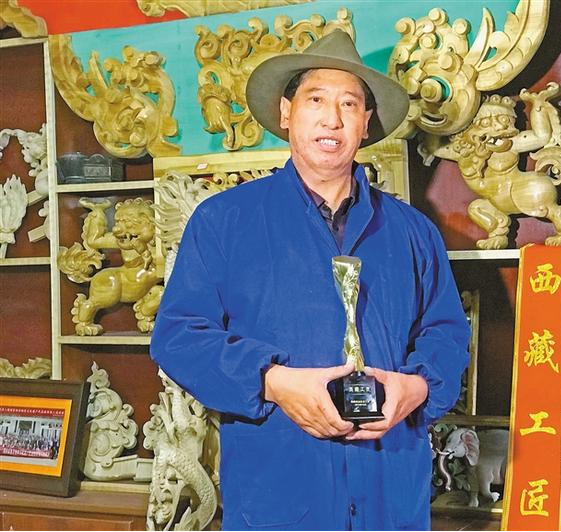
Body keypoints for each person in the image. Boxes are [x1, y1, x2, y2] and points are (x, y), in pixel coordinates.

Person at [151, 30, 470, 531]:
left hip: (390, 495)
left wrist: (416, 387)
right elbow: (178, 337)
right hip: (279, 492)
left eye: (350, 104)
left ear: (366, 122)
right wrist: (273, 382)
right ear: (286, 112)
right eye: (316, 99)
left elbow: (446, 333)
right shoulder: (224, 221)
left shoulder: (413, 231)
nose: (332, 118)